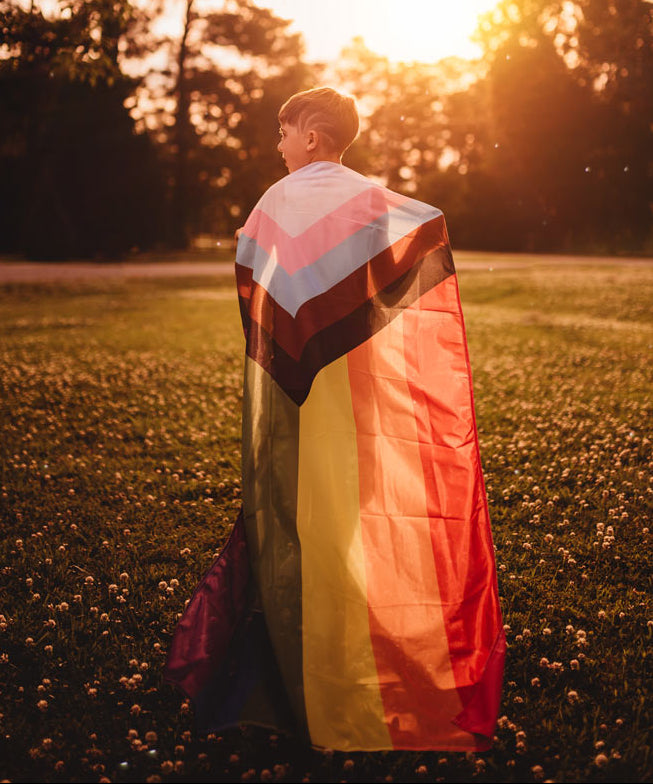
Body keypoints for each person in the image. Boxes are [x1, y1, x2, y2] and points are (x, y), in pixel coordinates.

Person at [166, 87, 505, 752]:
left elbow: (258, 285)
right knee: (346, 517)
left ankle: (281, 665)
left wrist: (253, 249)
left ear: (311, 137)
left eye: (284, 132)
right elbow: (411, 242)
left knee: (289, 517)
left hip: (294, 399)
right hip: (357, 396)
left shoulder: (277, 200)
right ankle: (351, 645)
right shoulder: (370, 200)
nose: (279, 145)